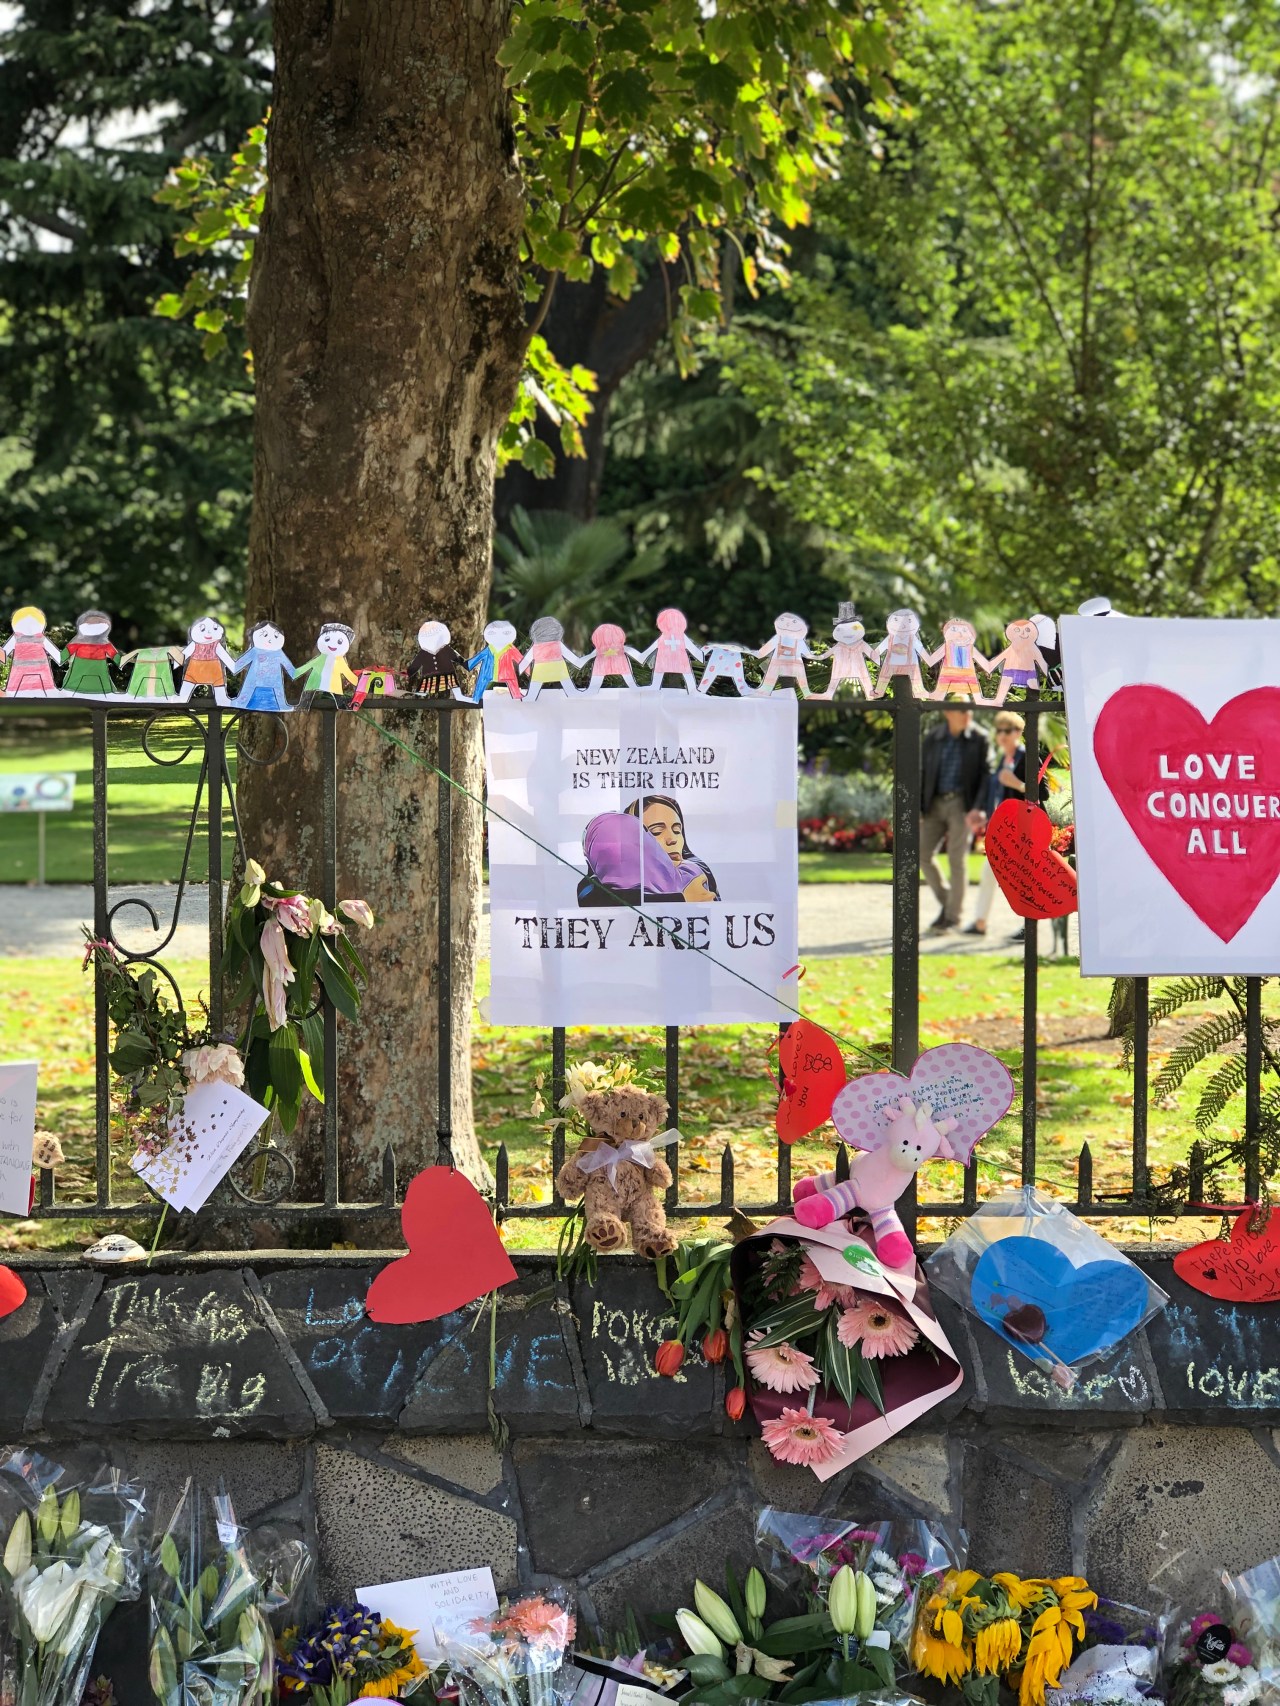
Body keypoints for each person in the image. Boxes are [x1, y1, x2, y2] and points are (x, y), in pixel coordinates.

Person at [965, 710, 1048, 938]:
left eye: (1008, 730)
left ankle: (1028, 926)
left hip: (1025, 829)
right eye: (999, 730)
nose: (1002, 735)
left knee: (1025, 879)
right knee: (989, 872)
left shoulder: (1029, 757)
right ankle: (980, 922)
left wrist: (1019, 784)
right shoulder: (1002, 760)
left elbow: (1044, 794)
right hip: (1004, 829)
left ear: (1019, 733)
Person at [921, 707, 990, 931]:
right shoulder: (933, 738)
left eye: (969, 709)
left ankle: (952, 917)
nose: (967, 714)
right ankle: (949, 903)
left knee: (956, 860)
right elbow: (922, 772)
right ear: (948, 713)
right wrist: (920, 806)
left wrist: (978, 808)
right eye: (961, 710)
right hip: (935, 803)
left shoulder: (979, 738)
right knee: (921, 855)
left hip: (963, 805)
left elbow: (986, 776)